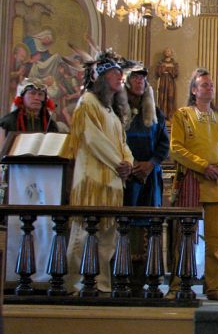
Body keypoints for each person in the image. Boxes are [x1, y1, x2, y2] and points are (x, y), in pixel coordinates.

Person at [168, 68, 218, 301]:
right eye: (204, 84)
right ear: (194, 90)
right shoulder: (182, 115)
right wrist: (203, 166)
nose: (209, 87)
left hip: (216, 183)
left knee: (215, 239)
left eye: (211, 85)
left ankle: (214, 287)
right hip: (191, 180)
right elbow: (176, 148)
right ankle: (178, 284)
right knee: (184, 236)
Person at [65, 52, 134, 293]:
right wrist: (119, 163)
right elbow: (93, 140)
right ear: (101, 77)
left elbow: (122, 143)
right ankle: (73, 284)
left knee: (107, 238)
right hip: (92, 180)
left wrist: (128, 161)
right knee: (83, 233)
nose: (120, 77)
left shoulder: (111, 112)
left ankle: (101, 285)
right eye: (115, 73)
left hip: (113, 183)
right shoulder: (87, 103)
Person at [0, 78, 59, 284]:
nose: (36, 98)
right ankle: (11, 274)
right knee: (16, 224)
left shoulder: (52, 125)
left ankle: (44, 274)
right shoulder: (9, 121)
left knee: (45, 225)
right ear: (22, 97)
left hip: (46, 181)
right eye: (32, 93)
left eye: (40, 94)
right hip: (16, 180)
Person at [123, 65, 170, 294]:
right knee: (124, 226)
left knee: (149, 227)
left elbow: (164, 144)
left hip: (149, 176)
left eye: (143, 77)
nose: (139, 81)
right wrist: (129, 165)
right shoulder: (117, 108)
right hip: (125, 176)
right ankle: (123, 276)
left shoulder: (155, 112)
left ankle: (146, 277)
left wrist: (150, 164)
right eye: (135, 77)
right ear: (126, 81)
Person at [155, 47, 179, 120]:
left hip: (170, 82)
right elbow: (158, 71)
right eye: (166, 51)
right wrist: (168, 68)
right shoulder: (160, 63)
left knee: (170, 97)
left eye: (169, 51)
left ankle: (170, 115)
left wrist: (165, 68)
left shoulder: (174, 63)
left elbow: (175, 72)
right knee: (161, 97)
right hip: (162, 81)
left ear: (171, 53)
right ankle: (162, 115)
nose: (167, 52)